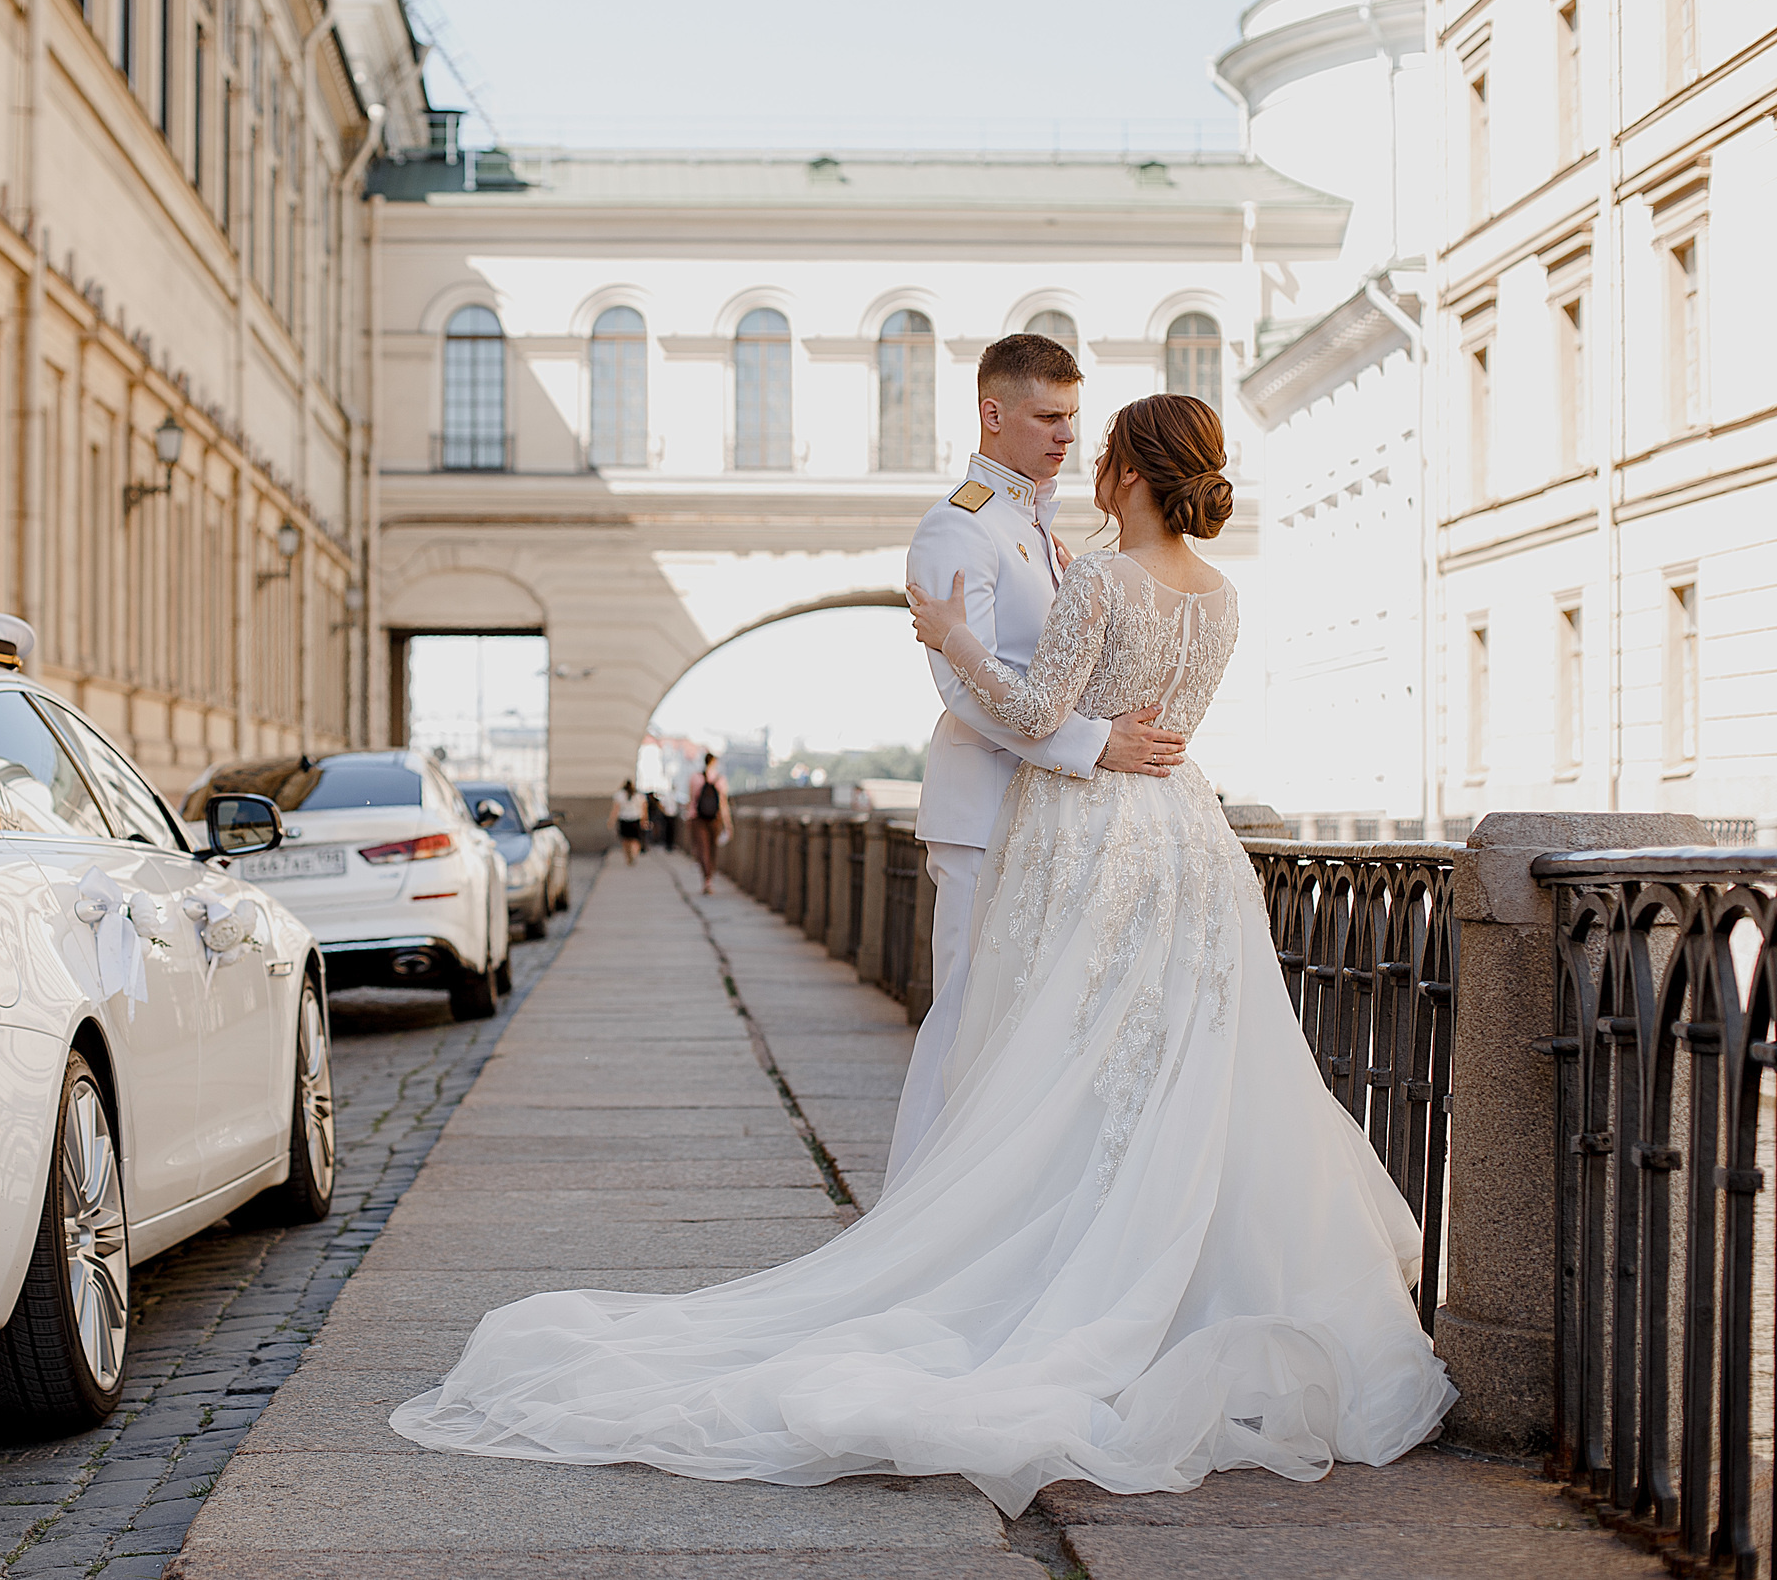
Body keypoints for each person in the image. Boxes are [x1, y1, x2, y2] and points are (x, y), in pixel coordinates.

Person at [389, 393, 1454, 1514]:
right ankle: (1182, 1279)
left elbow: (1037, 713)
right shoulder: (1222, 596)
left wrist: (952, 639)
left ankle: (1061, 1264)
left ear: (1130, 475)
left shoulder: (1101, 579)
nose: (1087, 461)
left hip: (1092, 835)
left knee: (1067, 1059)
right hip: (1189, 842)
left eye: (1100, 450)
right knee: (1180, 1066)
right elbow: (1154, 719)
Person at [887, 334, 1189, 1189]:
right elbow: (965, 686)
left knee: (1024, 1033)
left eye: (1072, 417)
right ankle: (915, 1213)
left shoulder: (1034, 524)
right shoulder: (959, 525)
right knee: (963, 1020)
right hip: (984, 811)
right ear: (993, 412)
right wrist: (1098, 745)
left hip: (1049, 816)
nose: (1067, 436)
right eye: (1047, 416)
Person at [687, 753, 729, 894]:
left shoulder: (695, 778)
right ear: (714, 763)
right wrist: (728, 824)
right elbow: (723, 804)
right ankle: (710, 877)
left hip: (698, 818)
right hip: (715, 819)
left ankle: (706, 880)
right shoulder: (720, 779)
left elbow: (691, 801)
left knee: (702, 848)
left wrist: (689, 818)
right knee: (712, 848)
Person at [613, 780, 648, 864]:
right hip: (635, 819)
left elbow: (616, 809)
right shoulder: (640, 796)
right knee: (635, 839)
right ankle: (634, 854)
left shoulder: (620, 795)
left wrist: (612, 820)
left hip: (624, 819)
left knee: (626, 839)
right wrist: (644, 820)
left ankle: (628, 855)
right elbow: (644, 809)